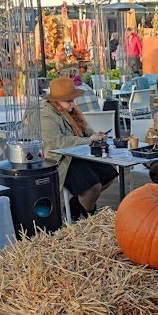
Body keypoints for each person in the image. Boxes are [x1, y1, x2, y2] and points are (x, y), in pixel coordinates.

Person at [40, 77, 118, 220]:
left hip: (80, 153)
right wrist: (89, 140)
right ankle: (90, 217)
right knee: (92, 187)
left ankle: (75, 207)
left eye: (73, 99)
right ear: (56, 101)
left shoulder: (70, 110)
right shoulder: (46, 114)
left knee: (110, 174)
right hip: (62, 159)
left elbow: (86, 130)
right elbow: (58, 142)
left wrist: (95, 135)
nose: (73, 103)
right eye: (69, 100)